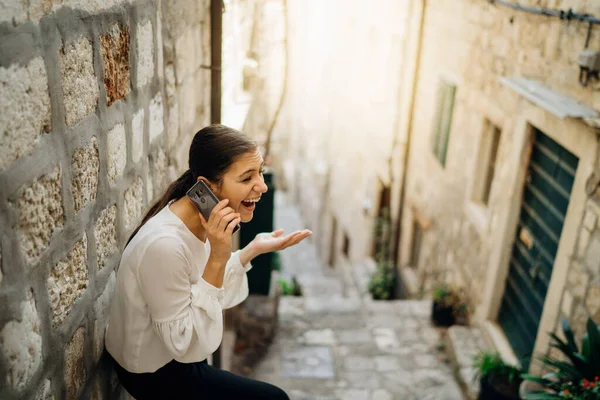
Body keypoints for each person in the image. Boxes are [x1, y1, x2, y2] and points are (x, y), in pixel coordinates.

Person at [105, 124, 312, 399]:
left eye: (260, 171)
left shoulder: (199, 218)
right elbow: (187, 344)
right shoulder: (164, 246)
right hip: (154, 371)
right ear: (206, 185)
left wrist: (250, 251)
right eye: (247, 177)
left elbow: (207, 295)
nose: (261, 186)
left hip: (177, 352)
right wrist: (218, 255)